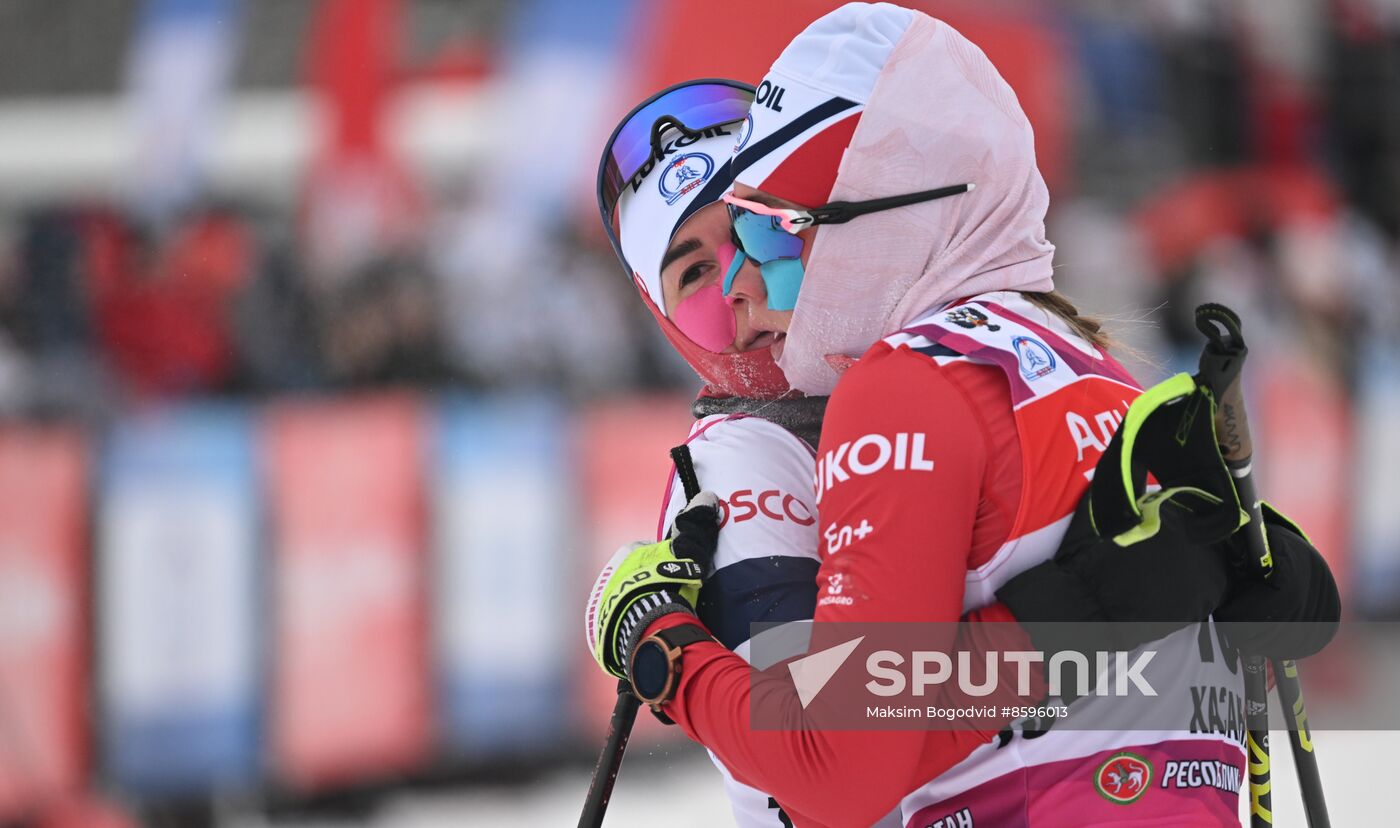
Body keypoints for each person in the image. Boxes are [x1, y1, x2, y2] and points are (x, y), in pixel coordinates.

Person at [586, 5, 1339, 827]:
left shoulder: (973, 362)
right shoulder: (746, 459)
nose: (743, 284)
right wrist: (1071, 623)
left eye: (764, 230)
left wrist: (1244, 569)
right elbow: (809, 781)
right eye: (692, 274)